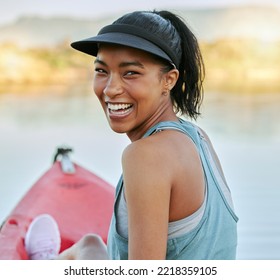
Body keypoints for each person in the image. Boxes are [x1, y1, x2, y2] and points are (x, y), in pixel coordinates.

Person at [25, 10, 238, 260]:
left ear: (168, 80)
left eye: (130, 73)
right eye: (102, 71)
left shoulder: (146, 155)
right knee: (90, 245)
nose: (111, 89)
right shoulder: (198, 137)